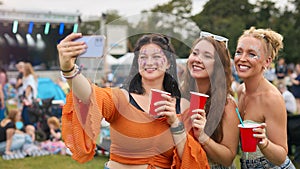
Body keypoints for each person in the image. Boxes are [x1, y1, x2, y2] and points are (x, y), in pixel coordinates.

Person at [58, 33, 209, 168]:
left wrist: (175, 123)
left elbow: (193, 161)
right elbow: (88, 96)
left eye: (156, 56)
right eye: (143, 57)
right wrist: (69, 69)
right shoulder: (121, 98)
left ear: (169, 62)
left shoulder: (184, 106)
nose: (149, 62)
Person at [234, 27, 295, 168]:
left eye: (251, 54)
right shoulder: (240, 90)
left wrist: (264, 142)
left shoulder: (271, 98)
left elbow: (281, 156)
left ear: (267, 62)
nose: (242, 58)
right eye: (239, 52)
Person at [180, 31, 240, 168]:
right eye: (195, 53)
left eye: (207, 56)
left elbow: (228, 159)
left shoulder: (227, 105)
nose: (197, 59)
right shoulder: (179, 95)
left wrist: (203, 137)